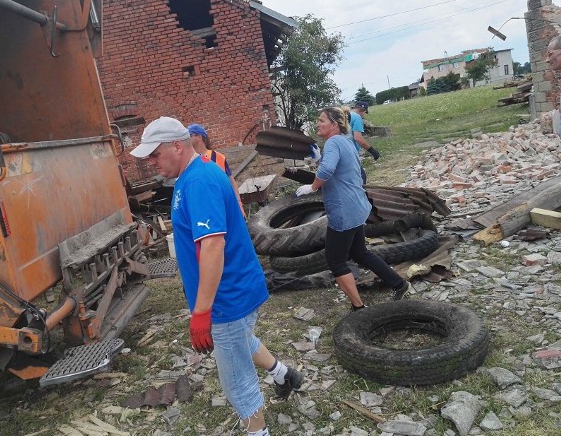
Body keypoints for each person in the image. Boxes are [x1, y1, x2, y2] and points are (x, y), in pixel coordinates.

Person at [131, 116, 303, 436]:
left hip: (227, 297)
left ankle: (258, 432)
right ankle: (283, 374)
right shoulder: (193, 176)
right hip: (234, 292)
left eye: (154, 154)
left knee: (237, 380)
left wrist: (201, 311)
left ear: (177, 146)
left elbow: (212, 247)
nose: (150, 163)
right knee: (242, 340)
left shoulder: (200, 182)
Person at [295, 107, 411, 311]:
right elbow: (344, 169)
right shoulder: (346, 141)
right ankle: (400, 284)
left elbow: (329, 169)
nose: (317, 123)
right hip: (357, 207)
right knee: (360, 252)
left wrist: (312, 187)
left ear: (334, 124)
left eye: (321, 120)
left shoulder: (333, 142)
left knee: (336, 262)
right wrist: (318, 158)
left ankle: (358, 307)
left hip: (344, 211)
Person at [187, 123, 245, 217]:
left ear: (199, 137)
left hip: (223, 203)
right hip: (204, 208)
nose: (187, 139)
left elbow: (230, 180)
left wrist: (238, 202)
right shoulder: (190, 161)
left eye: (189, 135)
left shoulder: (218, 157)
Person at [348, 101, 380, 184]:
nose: (363, 115)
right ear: (363, 111)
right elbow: (358, 138)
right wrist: (372, 150)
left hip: (341, 149)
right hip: (349, 152)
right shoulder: (357, 117)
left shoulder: (346, 115)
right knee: (361, 178)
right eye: (365, 113)